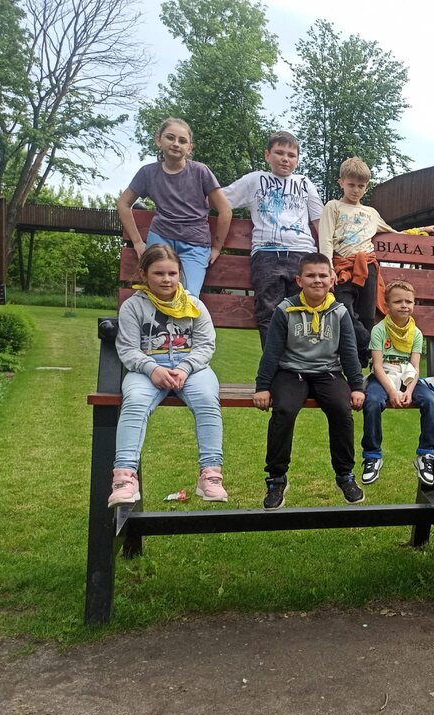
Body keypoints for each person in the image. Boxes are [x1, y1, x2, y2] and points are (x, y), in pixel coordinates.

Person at [107, 243, 228, 507]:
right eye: (158, 273)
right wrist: (152, 368)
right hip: (146, 369)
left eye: (172, 273)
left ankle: (210, 475)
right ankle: (124, 478)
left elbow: (206, 345)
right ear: (144, 274)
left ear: (180, 274)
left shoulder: (194, 305)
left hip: (192, 368)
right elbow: (127, 348)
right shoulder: (132, 307)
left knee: (207, 400)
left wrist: (185, 367)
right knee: (135, 403)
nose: (166, 279)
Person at [253, 253, 365, 509]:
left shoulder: (339, 312)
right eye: (311, 275)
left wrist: (357, 386)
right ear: (299, 280)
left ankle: (345, 474)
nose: (317, 280)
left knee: (341, 408)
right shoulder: (285, 310)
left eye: (323, 275)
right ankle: (276, 478)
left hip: (328, 372)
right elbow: (271, 352)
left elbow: (349, 352)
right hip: (291, 372)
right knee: (284, 409)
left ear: (332, 279)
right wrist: (262, 387)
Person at [320, 156, 434, 366]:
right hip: (343, 267)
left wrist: (421, 229)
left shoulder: (371, 213)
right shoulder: (333, 206)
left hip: (368, 267)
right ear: (341, 182)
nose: (356, 190)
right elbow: (325, 239)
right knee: (342, 310)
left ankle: (359, 365)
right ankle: (369, 343)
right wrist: (328, 269)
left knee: (367, 316)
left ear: (366, 187)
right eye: (351, 185)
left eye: (361, 186)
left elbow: (394, 232)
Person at [222, 131, 324, 347]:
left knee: (304, 312)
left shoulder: (305, 183)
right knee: (268, 311)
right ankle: (273, 364)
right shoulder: (254, 180)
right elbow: (220, 199)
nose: (285, 159)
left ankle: (301, 363)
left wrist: (326, 261)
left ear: (297, 159)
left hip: (302, 254)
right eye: (279, 152)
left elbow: (320, 223)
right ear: (267, 155)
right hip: (267, 254)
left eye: (291, 155)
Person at [117, 118, 232, 296]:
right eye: (170, 137)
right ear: (158, 140)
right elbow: (123, 203)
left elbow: (225, 210)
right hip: (161, 236)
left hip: (195, 242)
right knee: (156, 292)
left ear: (189, 148)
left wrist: (217, 248)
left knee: (188, 296)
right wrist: (138, 242)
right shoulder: (148, 173)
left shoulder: (200, 171)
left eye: (182, 141)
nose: (176, 144)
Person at [360, 280, 434, 487]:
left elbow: (415, 367)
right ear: (387, 305)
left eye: (408, 301)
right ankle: (372, 456)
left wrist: (409, 391)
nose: (404, 305)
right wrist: (392, 391)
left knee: (430, 401)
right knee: (373, 401)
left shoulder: (416, 333)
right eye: (398, 302)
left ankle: (426, 455)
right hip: (383, 375)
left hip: (407, 376)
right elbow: (377, 366)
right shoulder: (379, 330)